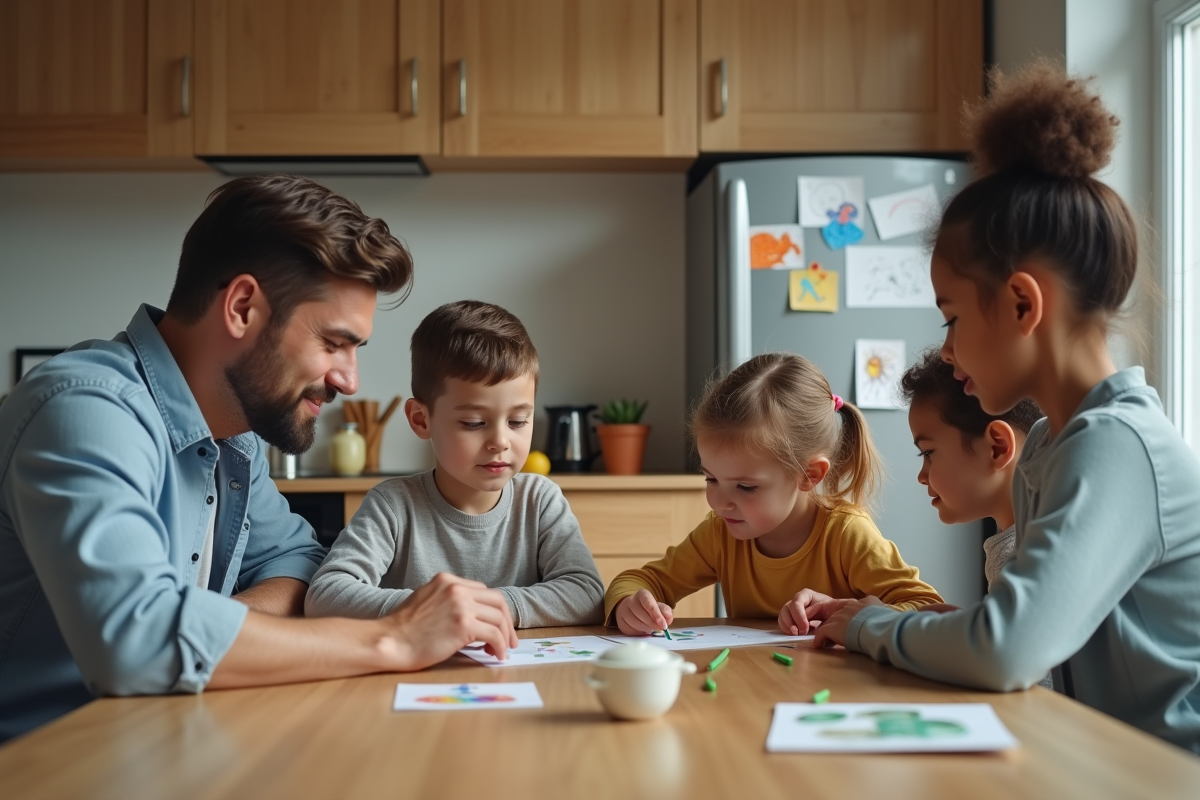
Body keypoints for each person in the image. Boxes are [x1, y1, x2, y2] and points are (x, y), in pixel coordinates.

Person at [0, 176, 517, 743]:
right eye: (333, 343)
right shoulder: (86, 410)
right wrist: (396, 638)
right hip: (47, 761)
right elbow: (137, 640)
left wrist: (197, 624)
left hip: (165, 742)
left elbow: (298, 562)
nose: (349, 379)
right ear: (242, 307)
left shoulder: (234, 438)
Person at [807, 62, 1200, 754]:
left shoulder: (1118, 444)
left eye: (952, 318)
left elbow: (1007, 650)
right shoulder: (1049, 444)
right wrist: (877, 618)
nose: (947, 349)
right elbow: (1024, 640)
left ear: (1022, 304)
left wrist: (872, 626)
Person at [306, 300, 605, 627]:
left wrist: (489, 607)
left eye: (518, 421)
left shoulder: (540, 500)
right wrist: (430, 609)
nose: (501, 441)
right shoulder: (392, 505)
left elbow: (586, 594)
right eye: (474, 423)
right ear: (421, 420)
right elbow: (325, 595)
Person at [603, 352, 943, 636]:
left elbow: (928, 608)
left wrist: (847, 612)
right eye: (711, 479)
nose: (719, 503)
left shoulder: (846, 534)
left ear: (808, 475)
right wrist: (628, 605)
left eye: (745, 487)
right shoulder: (720, 534)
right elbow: (639, 580)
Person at [901, 348, 1052, 690]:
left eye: (928, 453)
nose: (922, 476)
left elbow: (1032, 683)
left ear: (997, 447)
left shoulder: (1028, 551)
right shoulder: (1015, 538)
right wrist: (967, 627)